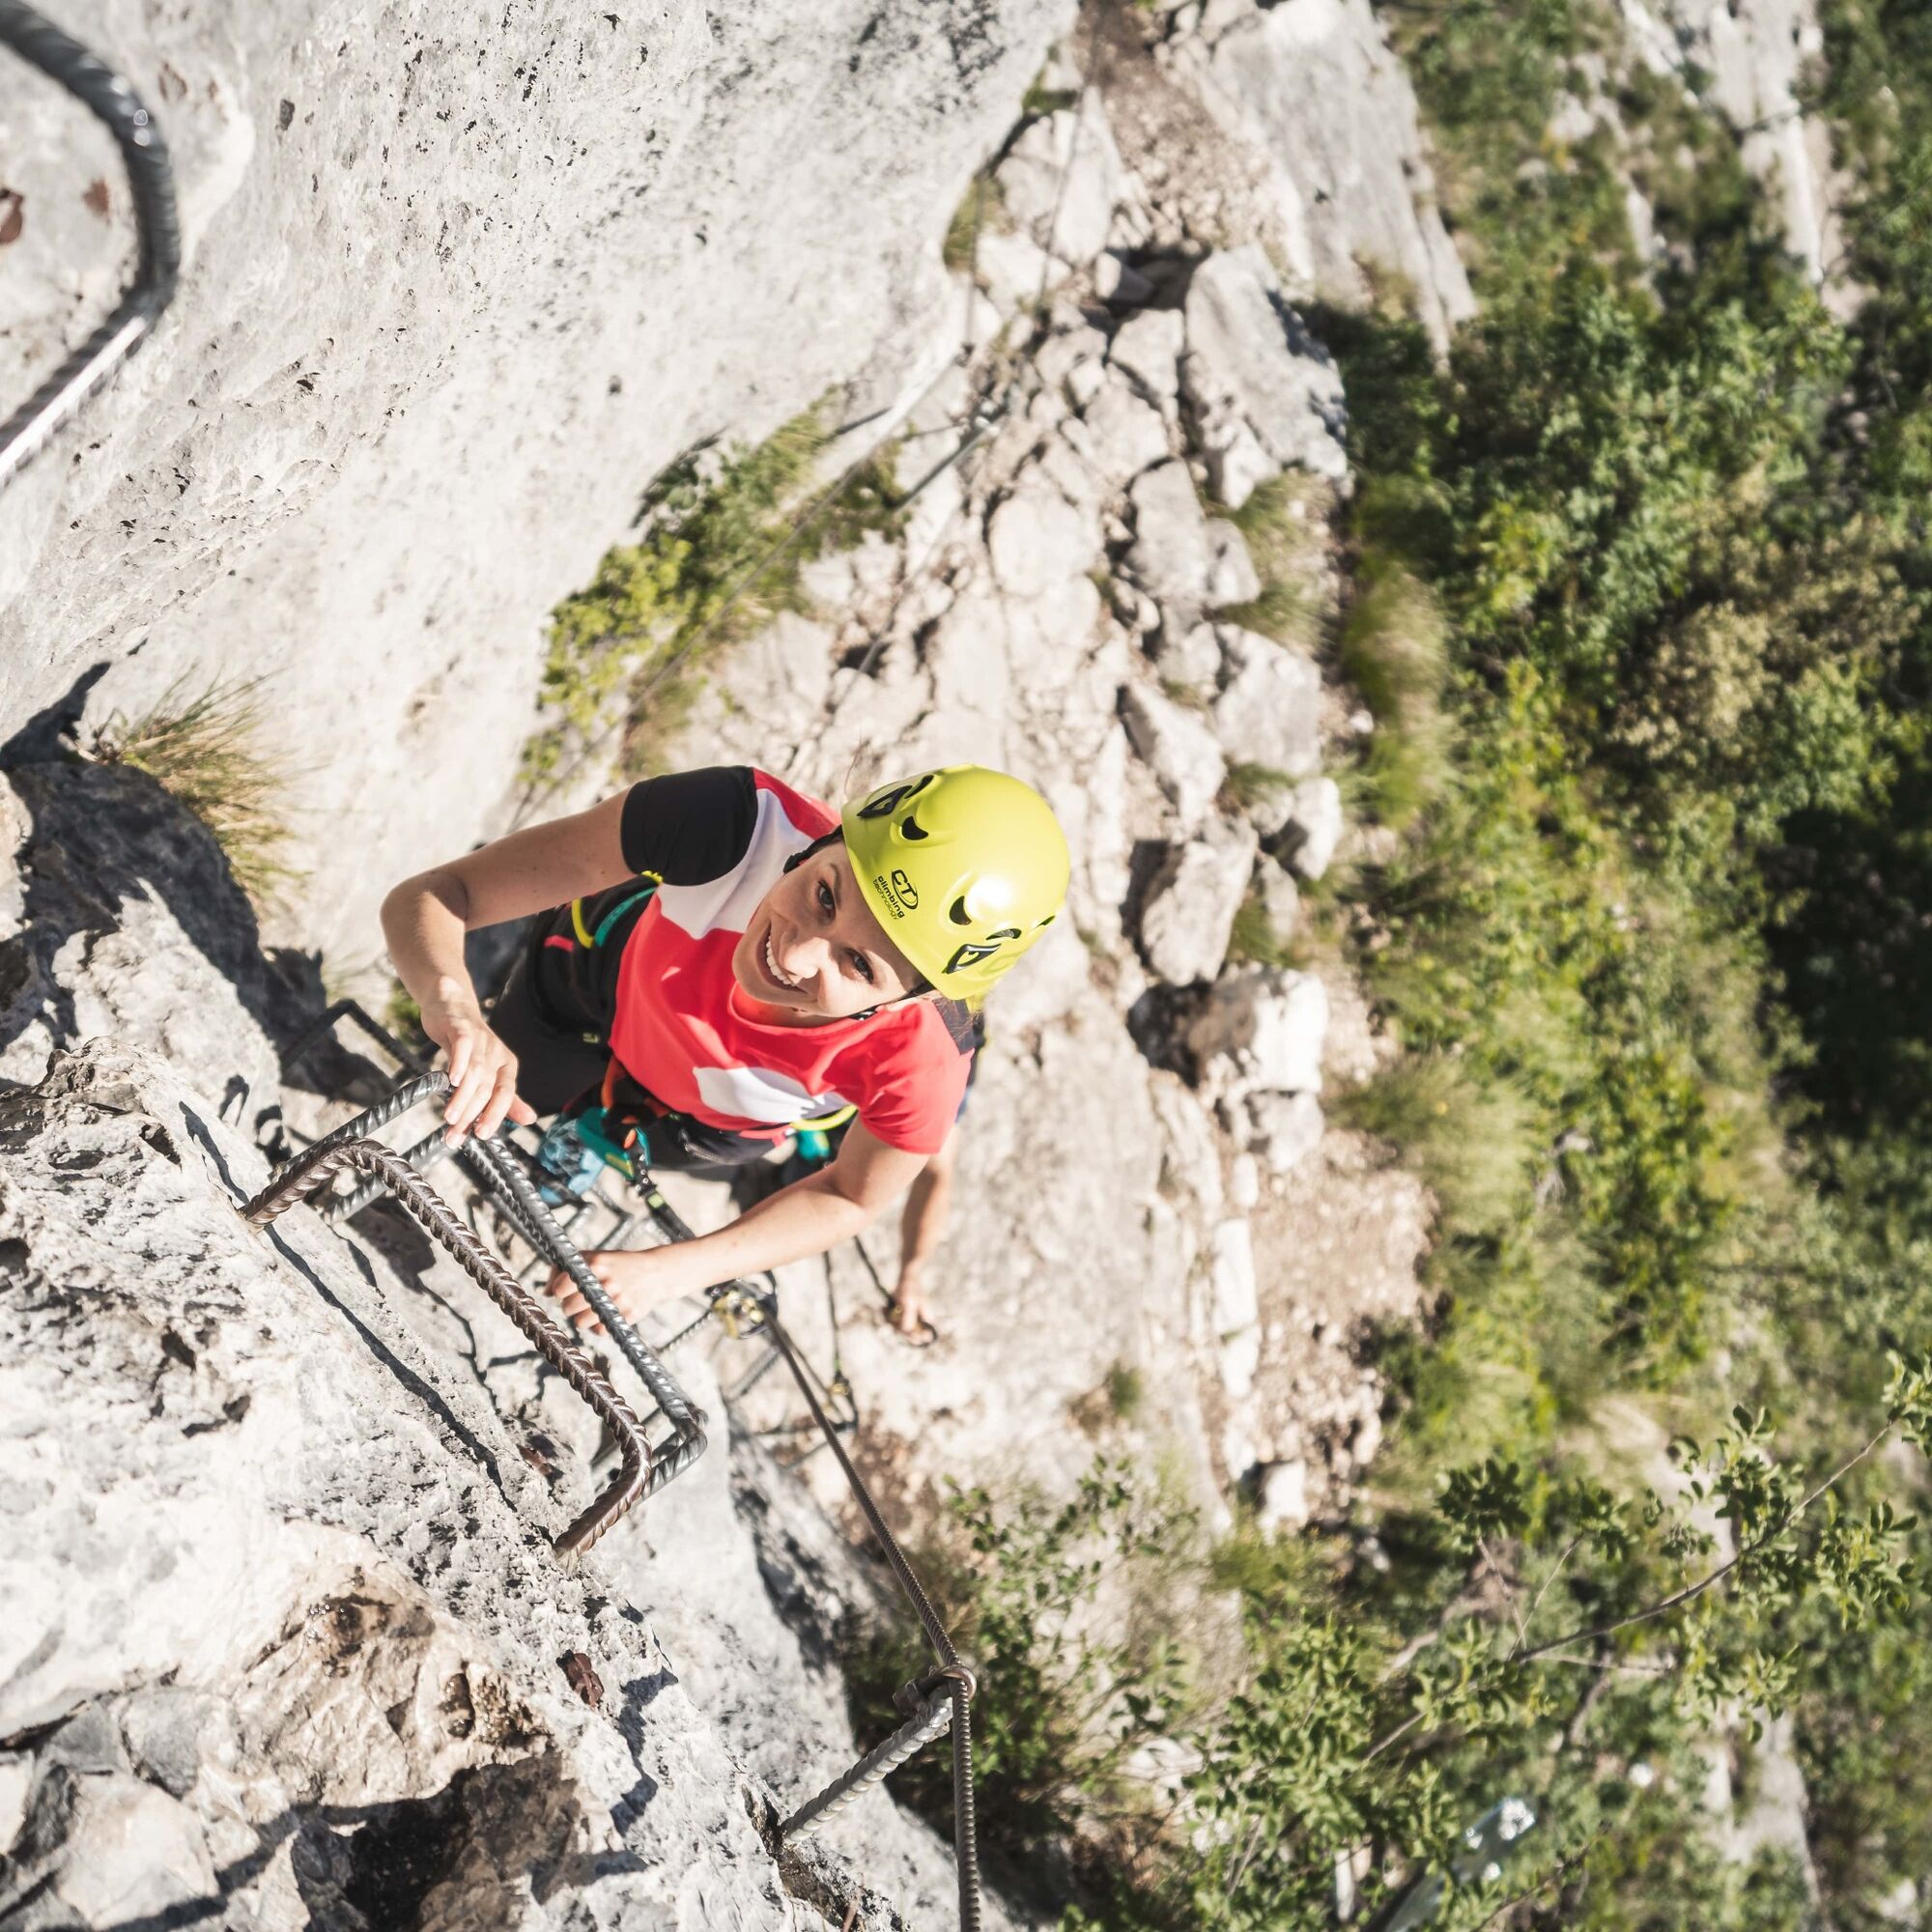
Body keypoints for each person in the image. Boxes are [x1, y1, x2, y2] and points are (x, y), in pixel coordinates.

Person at [379, 762, 1067, 1334]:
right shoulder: (734, 822)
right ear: (819, 843)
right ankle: (583, 1124)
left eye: (858, 965)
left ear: (911, 1001)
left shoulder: (926, 1062)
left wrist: (674, 1270)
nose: (794, 956)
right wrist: (454, 1006)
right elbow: (441, 892)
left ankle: (591, 1138)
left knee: (634, 1134)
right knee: (520, 1091)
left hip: (709, 1114)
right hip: (597, 991)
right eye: (823, 894)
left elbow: (853, 1196)